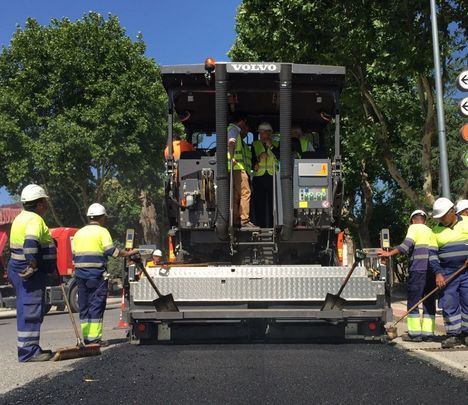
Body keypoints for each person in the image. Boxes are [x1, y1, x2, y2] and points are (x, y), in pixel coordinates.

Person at [72, 203, 138, 346]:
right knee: (96, 304)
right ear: (101, 218)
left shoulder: (79, 233)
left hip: (80, 276)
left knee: (84, 306)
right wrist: (127, 253)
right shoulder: (102, 232)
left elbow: (74, 255)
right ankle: (94, 339)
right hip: (96, 275)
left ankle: (87, 338)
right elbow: (111, 251)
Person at [7, 184, 57, 362]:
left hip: (17, 268)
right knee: (30, 309)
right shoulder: (35, 220)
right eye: (45, 201)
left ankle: (28, 347)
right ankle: (29, 352)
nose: (47, 205)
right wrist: (33, 264)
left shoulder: (20, 218)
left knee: (26, 307)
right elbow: (30, 244)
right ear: (39, 204)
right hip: (29, 272)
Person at [379, 210, 436, 341]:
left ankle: (415, 334)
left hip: (418, 269)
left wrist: (389, 254)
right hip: (431, 270)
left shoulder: (414, 228)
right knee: (428, 301)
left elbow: (406, 245)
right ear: (425, 220)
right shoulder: (430, 230)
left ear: (412, 220)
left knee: (414, 300)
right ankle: (428, 334)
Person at [429, 197, 468, 348]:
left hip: (466, 271)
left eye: (443, 217)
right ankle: (454, 334)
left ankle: (466, 334)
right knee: (449, 303)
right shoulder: (435, 231)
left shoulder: (466, 222)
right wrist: (438, 273)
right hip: (447, 272)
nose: (441, 220)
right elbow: (432, 255)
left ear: (452, 212)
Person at [228, 112, 255, 227]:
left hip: (234, 168)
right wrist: (232, 157)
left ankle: (235, 220)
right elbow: (231, 142)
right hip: (237, 168)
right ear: (242, 121)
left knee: (235, 195)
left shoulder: (232, 130)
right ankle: (244, 220)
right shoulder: (234, 129)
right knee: (245, 192)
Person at [251, 122, 279, 228]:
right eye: (260, 133)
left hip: (273, 177)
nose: (262, 136)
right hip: (259, 178)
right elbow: (252, 160)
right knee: (259, 204)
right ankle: (260, 226)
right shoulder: (255, 144)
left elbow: (280, 156)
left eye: (264, 133)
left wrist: (271, 146)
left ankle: (274, 227)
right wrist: (257, 161)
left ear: (269, 133)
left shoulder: (276, 143)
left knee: (274, 204)